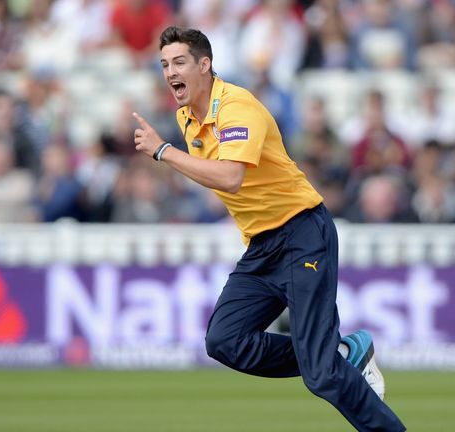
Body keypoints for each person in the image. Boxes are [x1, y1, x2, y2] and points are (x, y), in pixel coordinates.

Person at [132, 26, 405, 431]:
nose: (170, 72)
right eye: (164, 65)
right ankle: (343, 352)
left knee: (322, 376)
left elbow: (230, 179)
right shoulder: (187, 119)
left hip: (302, 234)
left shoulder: (237, 107)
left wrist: (163, 151)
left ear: (204, 65)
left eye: (179, 62)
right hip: (261, 246)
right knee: (224, 341)